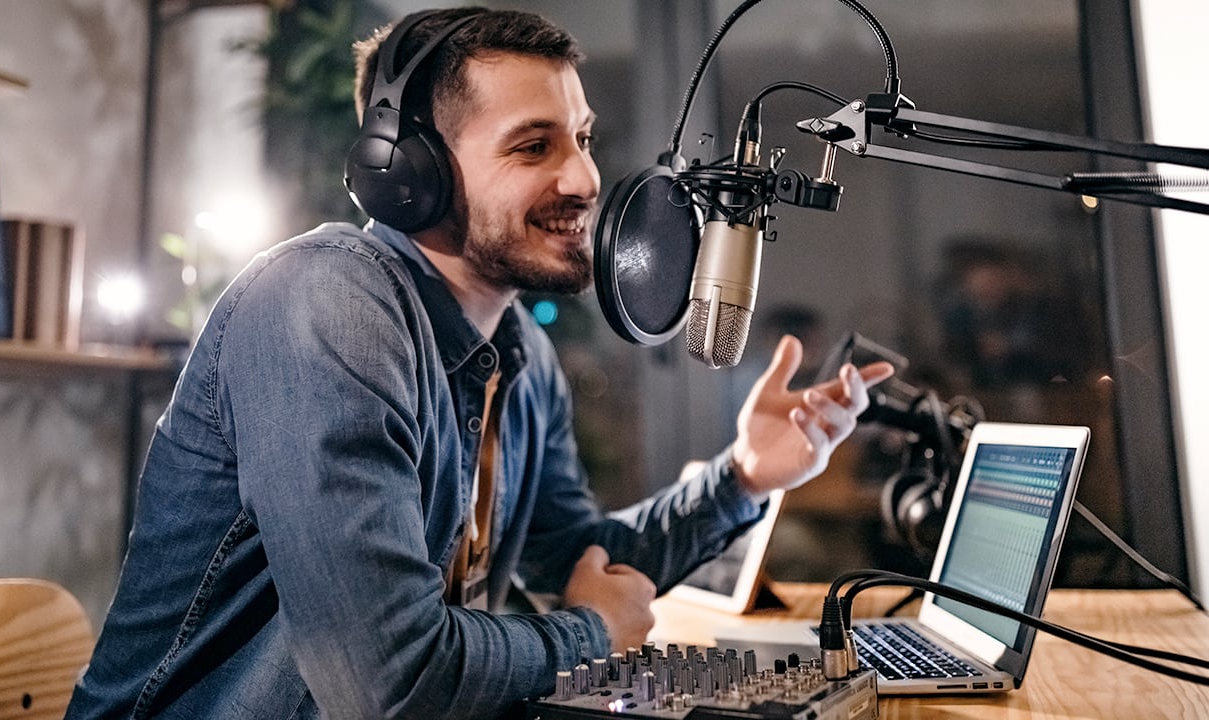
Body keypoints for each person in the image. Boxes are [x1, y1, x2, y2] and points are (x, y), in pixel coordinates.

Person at [64, 7, 893, 719]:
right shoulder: (325, 308)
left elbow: (583, 560)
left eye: (584, 139)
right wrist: (590, 634)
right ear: (407, 175)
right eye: (533, 147)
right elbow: (386, 681)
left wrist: (745, 476)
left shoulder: (520, 354)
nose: (585, 178)